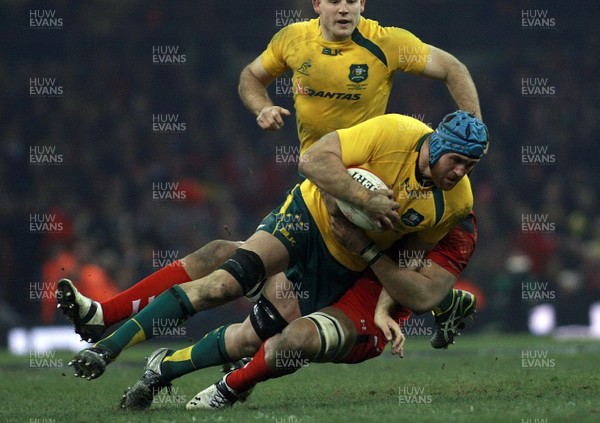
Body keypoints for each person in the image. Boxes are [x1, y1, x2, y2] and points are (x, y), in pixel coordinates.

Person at [56, 0, 482, 347]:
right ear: (317, 4)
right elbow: (250, 76)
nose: (344, 9)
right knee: (226, 256)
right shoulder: (294, 40)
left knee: (244, 273)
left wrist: (471, 135)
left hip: (370, 191)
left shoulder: (387, 43)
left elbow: (453, 68)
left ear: (363, 4)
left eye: (352, 0)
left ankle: (112, 321)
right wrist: (261, 106)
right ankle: (106, 315)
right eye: (334, 0)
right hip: (323, 182)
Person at [65, 110, 488, 382]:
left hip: (347, 261)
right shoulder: (392, 127)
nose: (461, 171)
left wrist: (383, 305)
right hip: (312, 211)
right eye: (457, 160)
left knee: (258, 335)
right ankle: (108, 338)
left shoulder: (454, 201)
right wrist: (260, 105)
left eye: (470, 166)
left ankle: (163, 366)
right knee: (223, 275)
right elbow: (308, 157)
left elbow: (406, 256)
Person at [119, 211, 477, 411]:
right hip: (324, 267)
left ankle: (201, 379)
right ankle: (158, 365)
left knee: (273, 341)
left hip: (358, 297)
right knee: (248, 333)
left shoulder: (455, 224)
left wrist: (391, 306)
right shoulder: (394, 175)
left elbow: (410, 277)